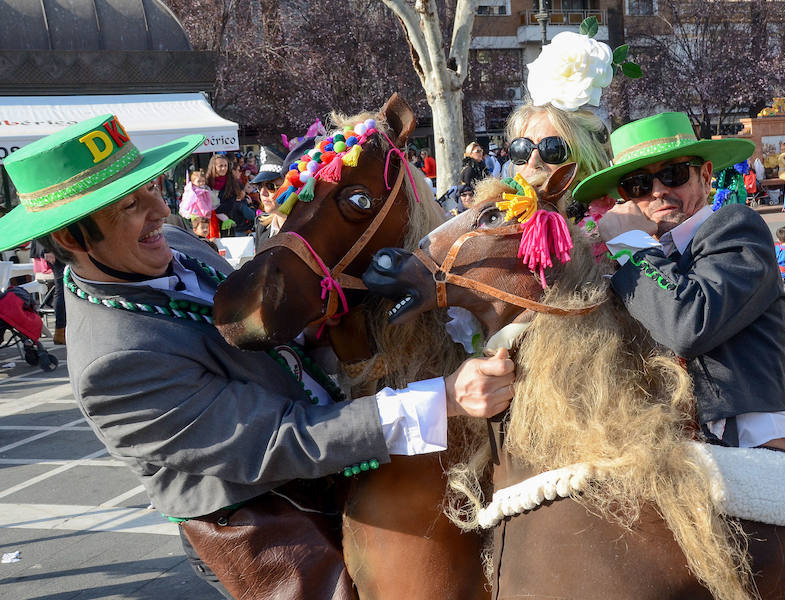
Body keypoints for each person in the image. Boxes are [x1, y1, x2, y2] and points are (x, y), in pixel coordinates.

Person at [0, 114, 515, 598]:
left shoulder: (175, 243)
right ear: (71, 236)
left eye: (151, 188)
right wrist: (442, 397)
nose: (162, 211)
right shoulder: (111, 365)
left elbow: (268, 330)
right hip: (262, 510)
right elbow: (282, 440)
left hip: (331, 433)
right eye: (129, 207)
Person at [574, 112, 785, 452]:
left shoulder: (736, 228)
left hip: (743, 447)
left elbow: (687, 324)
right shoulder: (629, 259)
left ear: (705, 176)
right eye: (639, 185)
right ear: (625, 197)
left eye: (672, 174)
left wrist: (630, 244)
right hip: (662, 449)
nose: (658, 191)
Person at [29, 238, 65, 345]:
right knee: (62, 289)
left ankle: (62, 330)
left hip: (60, 246)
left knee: (64, 288)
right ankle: (60, 330)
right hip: (54, 247)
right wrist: (47, 249)